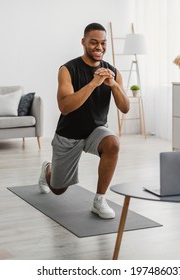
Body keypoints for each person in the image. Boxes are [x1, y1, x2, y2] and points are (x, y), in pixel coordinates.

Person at [38, 23, 130, 219]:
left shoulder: (112, 71)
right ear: (83, 42)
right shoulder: (67, 69)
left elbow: (125, 108)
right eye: (94, 42)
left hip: (96, 131)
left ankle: (99, 200)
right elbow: (65, 107)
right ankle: (48, 169)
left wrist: (113, 85)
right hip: (69, 134)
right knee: (58, 189)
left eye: (103, 43)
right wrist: (93, 83)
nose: (99, 47)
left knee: (113, 143)